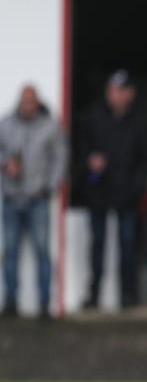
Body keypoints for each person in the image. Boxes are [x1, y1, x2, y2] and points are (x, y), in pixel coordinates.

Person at [76, 69, 147, 309]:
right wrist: (90, 163)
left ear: (130, 93)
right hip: (98, 192)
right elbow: (80, 150)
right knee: (97, 245)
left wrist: (137, 188)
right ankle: (94, 295)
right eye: (111, 90)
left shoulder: (141, 121)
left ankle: (127, 296)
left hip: (128, 195)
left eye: (119, 90)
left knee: (128, 245)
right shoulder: (93, 117)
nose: (114, 95)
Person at [0, 85, 68, 318]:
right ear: (20, 101)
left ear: (38, 102)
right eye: (24, 101)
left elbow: (60, 157)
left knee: (42, 252)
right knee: (10, 252)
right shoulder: (6, 124)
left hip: (38, 199)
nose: (28, 106)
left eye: (32, 101)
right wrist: (5, 164)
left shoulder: (50, 126)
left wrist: (50, 187)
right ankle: (10, 302)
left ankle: (44, 304)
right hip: (11, 198)